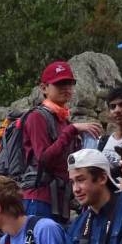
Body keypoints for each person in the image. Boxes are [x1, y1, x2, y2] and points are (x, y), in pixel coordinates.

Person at [18, 61, 105, 219]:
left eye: (69, 84)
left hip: (58, 201)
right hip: (38, 199)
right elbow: (44, 159)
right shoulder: (37, 117)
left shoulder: (63, 119)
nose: (66, 88)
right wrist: (72, 130)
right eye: (59, 84)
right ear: (44, 88)